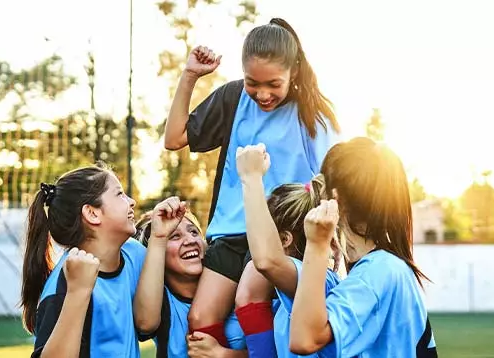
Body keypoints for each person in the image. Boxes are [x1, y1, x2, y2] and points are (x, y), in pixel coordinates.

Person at [163, 17, 341, 348]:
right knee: (200, 319)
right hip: (230, 234)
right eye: (252, 82)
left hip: (281, 236)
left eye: (274, 84)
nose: (262, 93)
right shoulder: (234, 98)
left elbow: (336, 185)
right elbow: (174, 138)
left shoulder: (314, 117)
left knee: (248, 297)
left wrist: (329, 245)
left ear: (294, 72)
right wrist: (189, 76)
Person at [289, 137, 438, 357]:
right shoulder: (388, 267)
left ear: (336, 199)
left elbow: (304, 339)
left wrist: (316, 245)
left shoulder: (376, 273)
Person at [20, 164, 147, 357]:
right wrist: (78, 293)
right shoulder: (62, 287)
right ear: (92, 213)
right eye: (119, 194)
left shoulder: (133, 253)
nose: (132, 202)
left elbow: (149, 324)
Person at [234, 144, 341, 357]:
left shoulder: (318, 280)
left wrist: (251, 177)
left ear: (284, 239)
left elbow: (265, 261)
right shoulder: (287, 297)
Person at [134, 201, 247, 357]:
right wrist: (159, 237)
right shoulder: (161, 304)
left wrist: (223, 354)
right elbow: (144, 324)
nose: (190, 241)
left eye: (194, 232)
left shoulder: (239, 286)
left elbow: (273, 352)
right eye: (175, 236)